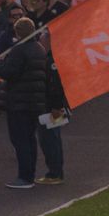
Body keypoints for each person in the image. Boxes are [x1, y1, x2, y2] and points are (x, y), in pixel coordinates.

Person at [0, 18, 47, 189]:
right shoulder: (39, 48)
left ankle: (25, 177)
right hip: (35, 101)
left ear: (17, 32)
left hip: (19, 102)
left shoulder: (19, 50)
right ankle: (30, 173)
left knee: (20, 139)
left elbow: (10, 73)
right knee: (30, 138)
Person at [37, 33, 67, 185]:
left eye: (42, 40)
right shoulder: (52, 58)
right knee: (52, 138)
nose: (40, 44)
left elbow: (55, 86)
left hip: (52, 107)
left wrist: (56, 107)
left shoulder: (52, 61)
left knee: (49, 139)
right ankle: (56, 171)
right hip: (54, 106)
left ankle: (55, 173)